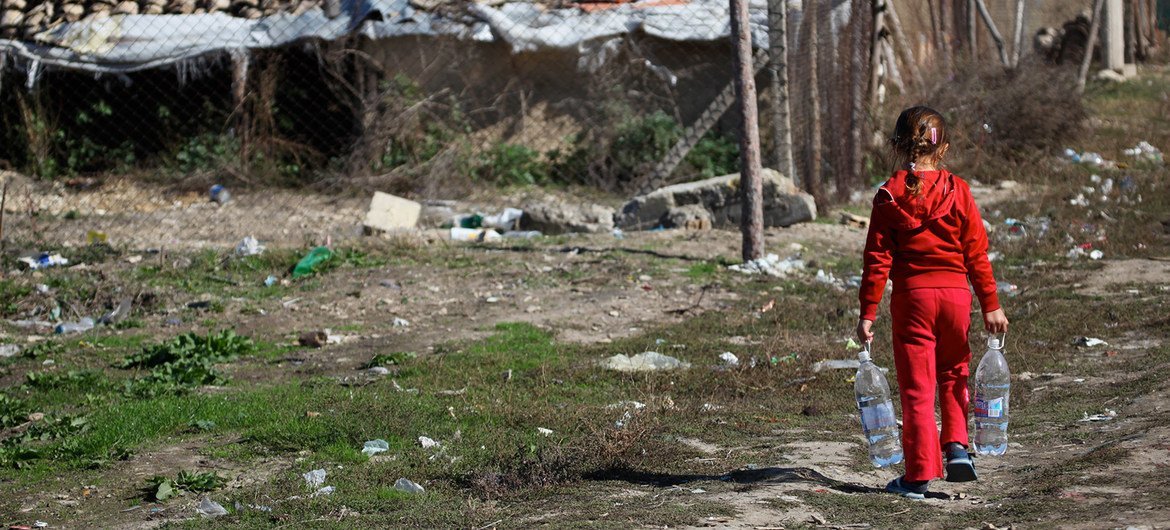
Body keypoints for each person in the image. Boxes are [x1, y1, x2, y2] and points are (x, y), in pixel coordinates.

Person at [855, 106, 1009, 499]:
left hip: (913, 300)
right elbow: (976, 252)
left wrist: (868, 312)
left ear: (895, 146)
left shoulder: (888, 195)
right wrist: (990, 303)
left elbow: (877, 259)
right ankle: (957, 448)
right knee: (954, 372)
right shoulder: (958, 190)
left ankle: (919, 474)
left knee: (917, 387)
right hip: (956, 296)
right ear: (943, 150)